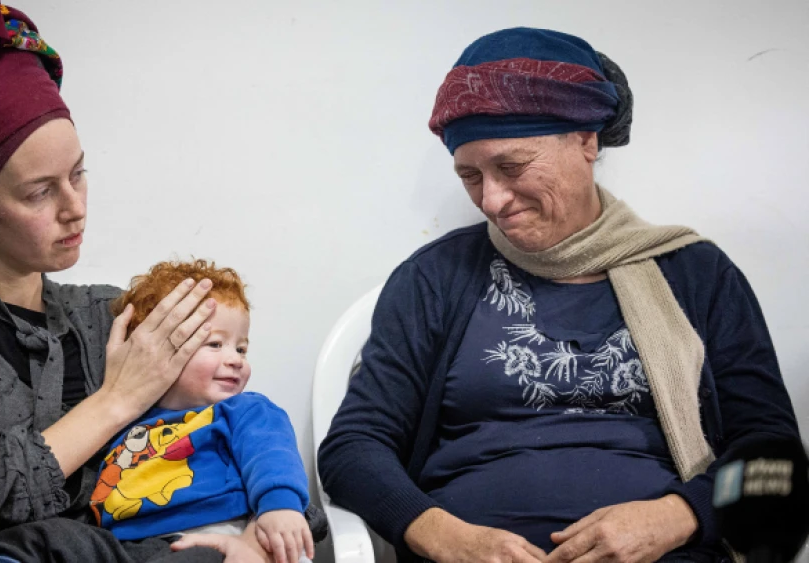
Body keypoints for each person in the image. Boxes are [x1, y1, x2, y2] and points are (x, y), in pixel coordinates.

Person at [317, 27, 802, 563]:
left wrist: (680, 514)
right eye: (470, 176)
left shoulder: (695, 274)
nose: (493, 200)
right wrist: (442, 535)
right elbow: (353, 448)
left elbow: (774, 461)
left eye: (511, 166)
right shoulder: (434, 279)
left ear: (587, 140)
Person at [0, 2, 278, 562]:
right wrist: (117, 400)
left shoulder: (109, 316)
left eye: (78, 173)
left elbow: (234, 431)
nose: (75, 209)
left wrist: (254, 525)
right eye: (39, 192)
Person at [88, 260, 315, 563]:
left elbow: (272, 454)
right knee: (54, 536)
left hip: (215, 535)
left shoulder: (242, 410)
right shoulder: (123, 420)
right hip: (127, 545)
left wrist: (279, 508)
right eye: (216, 343)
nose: (235, 360)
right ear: (156, 350)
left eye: (241, 348)